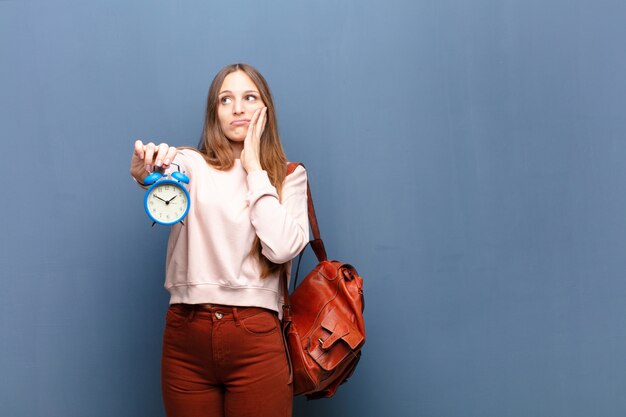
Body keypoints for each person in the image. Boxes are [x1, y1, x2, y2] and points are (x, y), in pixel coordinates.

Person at [129, 63, 309, 417]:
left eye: (249, 97)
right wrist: (143, 171)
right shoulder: (191, 165)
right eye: (226, 99)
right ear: (215, 112)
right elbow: (162, 171)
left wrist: (255, 169)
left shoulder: (289, 176)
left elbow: (284, 247)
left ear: (265, 109)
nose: (238, 108)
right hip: (186, 336)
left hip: (256, 339)